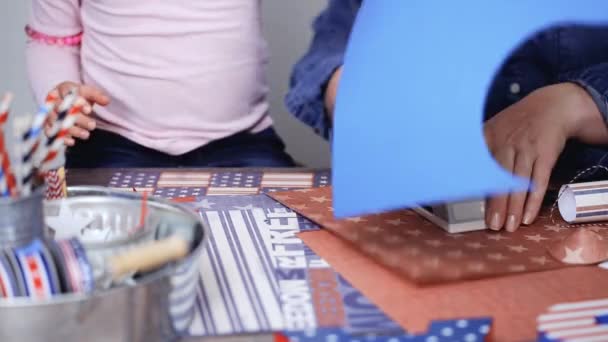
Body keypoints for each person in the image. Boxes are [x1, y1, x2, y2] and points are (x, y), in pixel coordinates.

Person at [287, 0, 608, 232]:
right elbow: (340, 34)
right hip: (419, 223)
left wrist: (577, 102)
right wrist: (347, 86)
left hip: (583, 214)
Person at [26, 0, 295, 168]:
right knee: (92, 247)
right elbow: (50, 39)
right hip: (114, 138)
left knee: (287, 239)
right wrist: (60, 91)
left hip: (242, 138)